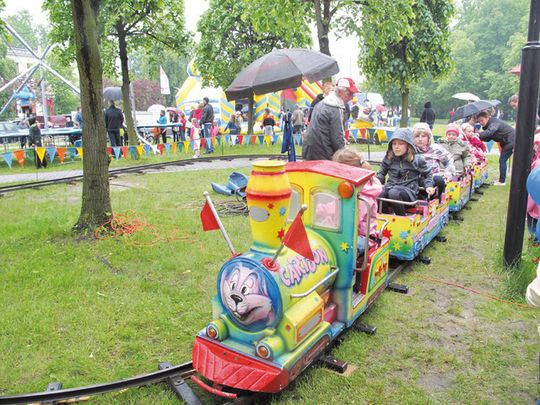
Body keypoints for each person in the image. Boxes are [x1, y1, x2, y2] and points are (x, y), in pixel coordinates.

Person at [333, 148, 383, 254]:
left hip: (363, 236)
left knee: (345, 248)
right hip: (347, 233)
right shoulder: (346, 189)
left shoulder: (363, 196)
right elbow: (332, 205)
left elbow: (352, 221)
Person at [376, 128, 435, 216]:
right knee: (378, 193)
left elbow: (427, 174)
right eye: (394, 144)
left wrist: (429, 185)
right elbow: (381, 173)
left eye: (401, 144)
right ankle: (385, 216)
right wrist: (375, 181)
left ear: (408, 145)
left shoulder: (417, 159)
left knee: (394, 193)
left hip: (408, 191)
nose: (396, 147)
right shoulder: (389, 158)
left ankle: (402, 218)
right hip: (390, 187)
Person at [303, 77, 358, 161]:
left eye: (353, 94)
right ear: (339, 92)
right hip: (323, 154)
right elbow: (337, 139)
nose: (351, 97)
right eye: (349, 93)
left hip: (309, 150)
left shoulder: (321, 103)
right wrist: (347, 156)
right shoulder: (335, 108)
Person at [412, 122, 455, 200]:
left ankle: (437, 199)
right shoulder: (411, 151)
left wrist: (448, 172)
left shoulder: (436, 149)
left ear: (428, 138)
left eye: (423, 136)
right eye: (417, 136)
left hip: (433, 177)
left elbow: (449, 159)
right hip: (416, 179)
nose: (420, 139)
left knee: (439, 180)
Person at [477, 110, 515, 185]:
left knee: (502, 160)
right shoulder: (489, 125)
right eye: (479, 121)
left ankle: (502, 181)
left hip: (511, 140)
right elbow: (488, 138)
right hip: (509, 141)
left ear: (487, 117)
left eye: (482, 120)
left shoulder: (494, 122)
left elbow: (490, 132)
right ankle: (502, 180)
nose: (481, 123)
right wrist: (477, 137)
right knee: (503, 160)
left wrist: (478, 135)